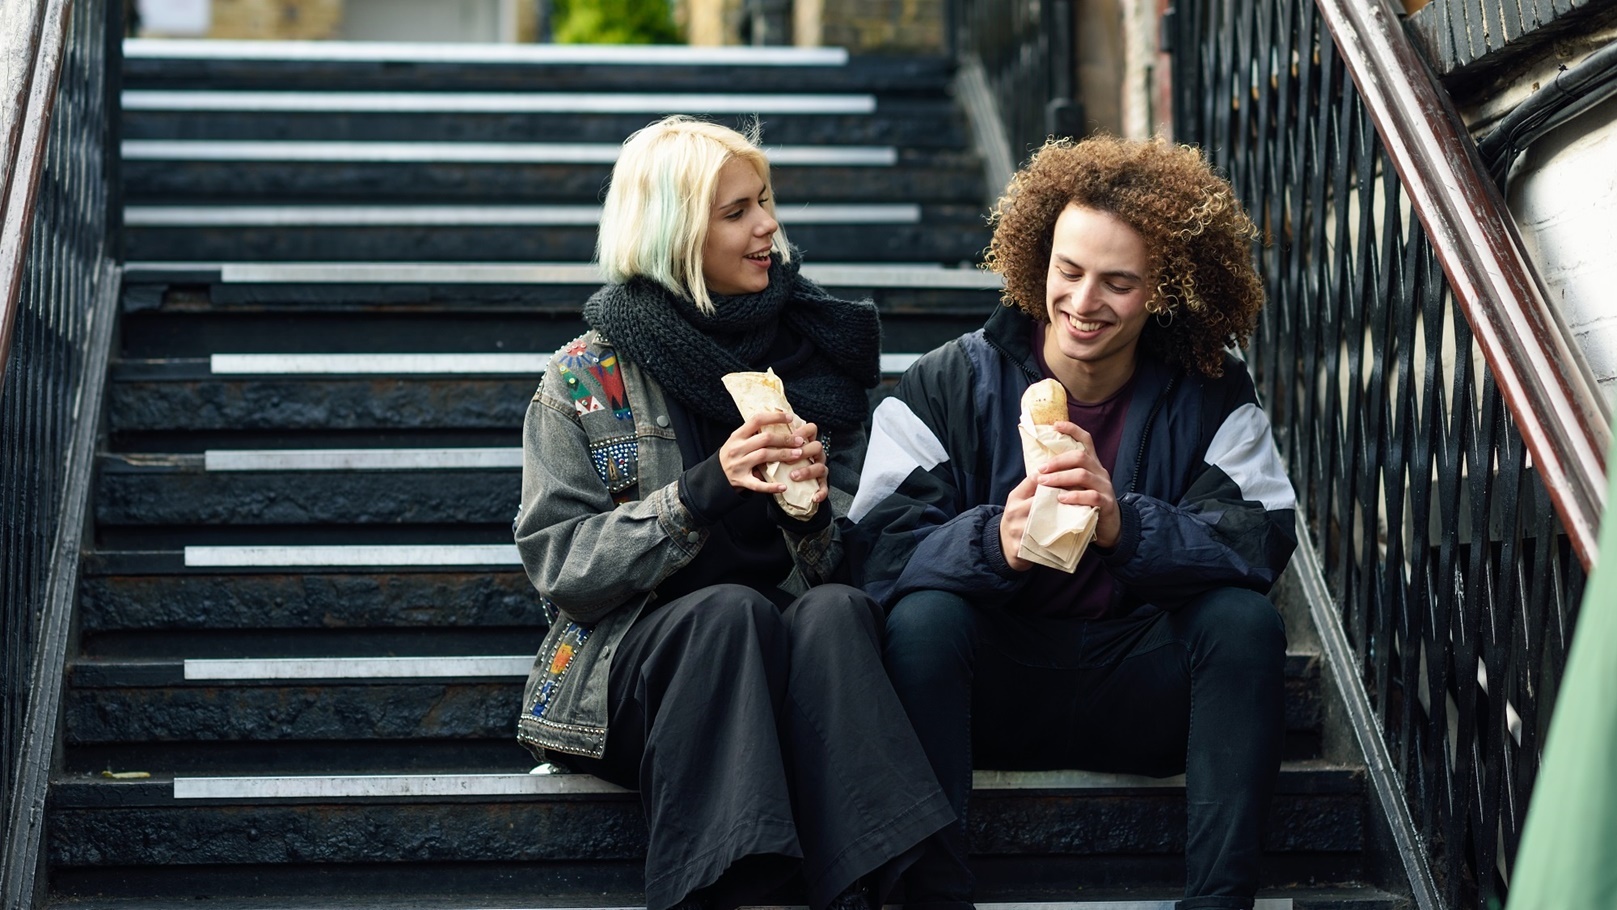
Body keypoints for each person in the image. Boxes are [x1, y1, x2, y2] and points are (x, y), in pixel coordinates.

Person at [512, 116, 954, 910]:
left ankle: (891, 889)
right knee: (728, 612)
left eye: (765, 201)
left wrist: (812, 517)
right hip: (638, 673)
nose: (767, 227)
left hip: (794, 669)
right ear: (676, 232)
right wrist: (697, 493)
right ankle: (717, 885)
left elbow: (860, 557)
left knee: (836, 611)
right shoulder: (584, 377)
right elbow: (562, 569)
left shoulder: (813, 358)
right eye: (737, 212)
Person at [846, 136, 1298, 910]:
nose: (1083, 302)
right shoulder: (945, 379)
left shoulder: (1212, 390)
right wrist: (995, 542)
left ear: (1165, 289)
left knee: (1242, 622)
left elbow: (1255, 539)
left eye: (1118, 282)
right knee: (920, 621)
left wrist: (1125, 525)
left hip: (1140, 685)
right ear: (1037, 259)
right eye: (1068, 270)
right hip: (990, 689)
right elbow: (875, 550)